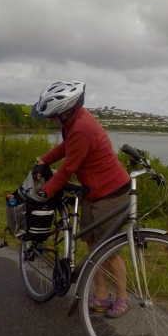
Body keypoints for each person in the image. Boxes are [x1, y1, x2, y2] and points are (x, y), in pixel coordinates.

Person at [31, 80, 131, 318]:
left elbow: (67, 170)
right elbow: (67, 147)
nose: (51, 121)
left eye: (53, 116)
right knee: (93, 244)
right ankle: (101, 296)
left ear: (65, 111)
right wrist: (44, 160)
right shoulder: (74, 123)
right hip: (92, 191)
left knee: (110, 249)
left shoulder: (82, 128)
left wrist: (44, 191)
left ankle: (123, 299)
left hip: (112, 193)